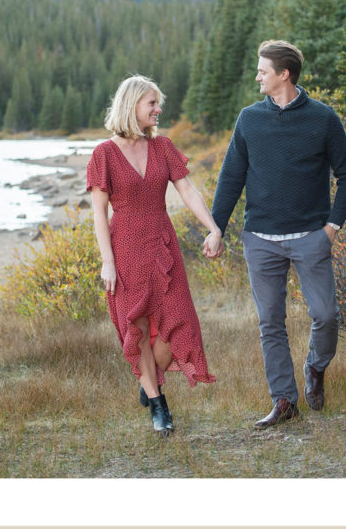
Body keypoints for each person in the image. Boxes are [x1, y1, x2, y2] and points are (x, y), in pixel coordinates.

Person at [211, 39, 346, 428]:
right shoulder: (249, 119)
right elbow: (230, 178)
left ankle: (315, 366)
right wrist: (216, 229)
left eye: (263, 70)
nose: (257, 76)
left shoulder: (323, 119)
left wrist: (332, 226)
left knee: (326, 315)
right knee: (270, 323)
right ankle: (284, 401)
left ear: (283, 74)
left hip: (311, 236)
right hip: (260, 239)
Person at [88, 75, 220, 436]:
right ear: (132, 106)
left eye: (158, 103)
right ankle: (158, 403)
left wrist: (213, 227)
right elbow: (99, 212)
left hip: (162, 243)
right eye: (152, 104)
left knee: (180, 319)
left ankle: (149, 381)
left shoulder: (162, 147)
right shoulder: (104, 154)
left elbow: (188, 190)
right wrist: (108, 261)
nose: (159, 109)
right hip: (125, 246)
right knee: (139, 326)